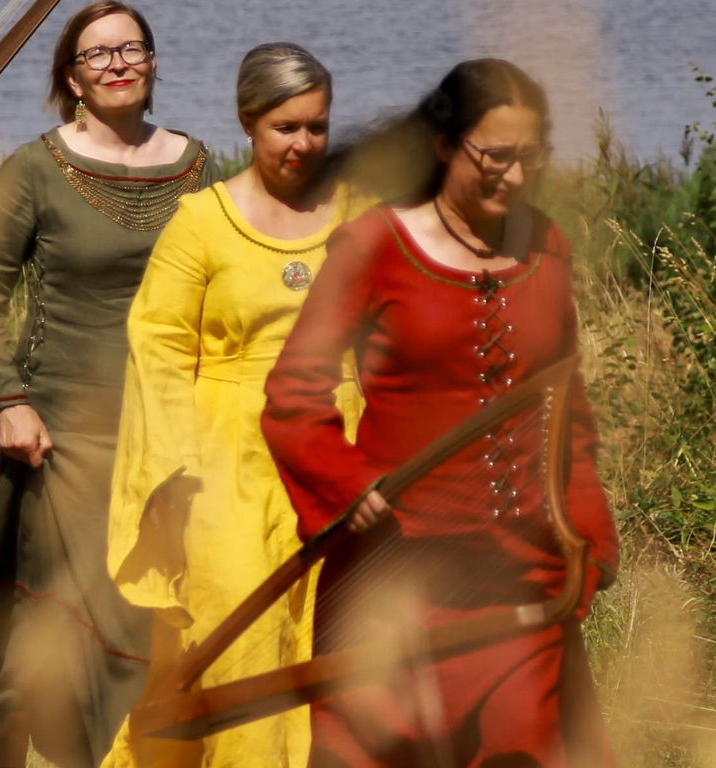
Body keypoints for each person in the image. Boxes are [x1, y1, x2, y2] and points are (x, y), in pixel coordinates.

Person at [260, 59, 620, 766]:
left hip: (522, 576)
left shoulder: (548, 246)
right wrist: (345, 483)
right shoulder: (373, 247)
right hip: (396, 576)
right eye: (495, 156)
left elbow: (566, 411)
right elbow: (293, 396)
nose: (515, 176)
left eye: (532, 156)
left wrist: (587, 528)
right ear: (445, 145)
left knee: (528, 747)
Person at [0, 3, 215, 765]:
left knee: (147, 618)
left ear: (153, 62)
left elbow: (221, 283)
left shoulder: (194, 164)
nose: (117, 64)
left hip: (168, 434)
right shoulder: (36, 168)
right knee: (51, 624)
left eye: (132, 49)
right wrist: (10, 404)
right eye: (97, 54)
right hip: (62, 437)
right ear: (71, 78)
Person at [103, 42, 363, 767]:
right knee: (236, 638)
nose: (303, 143)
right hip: (227, 459)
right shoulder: (203, 222)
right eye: (286, 127)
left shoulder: (357, 213)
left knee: (330, 636)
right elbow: (158, 346)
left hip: (338, 449)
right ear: (248, 122)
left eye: (317, 127)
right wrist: (172, 468)